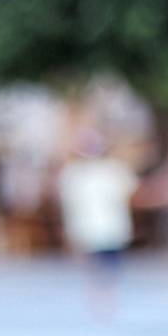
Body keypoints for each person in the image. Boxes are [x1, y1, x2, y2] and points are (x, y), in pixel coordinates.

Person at [57, 130, 138, 316]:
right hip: (86, 228)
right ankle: (96, 298)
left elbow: (131, 193)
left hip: (111, 228)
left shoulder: (114, 169)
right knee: (92, 266)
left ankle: (108, 298)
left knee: (111, 266)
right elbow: (67, 204)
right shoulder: (72, 173)